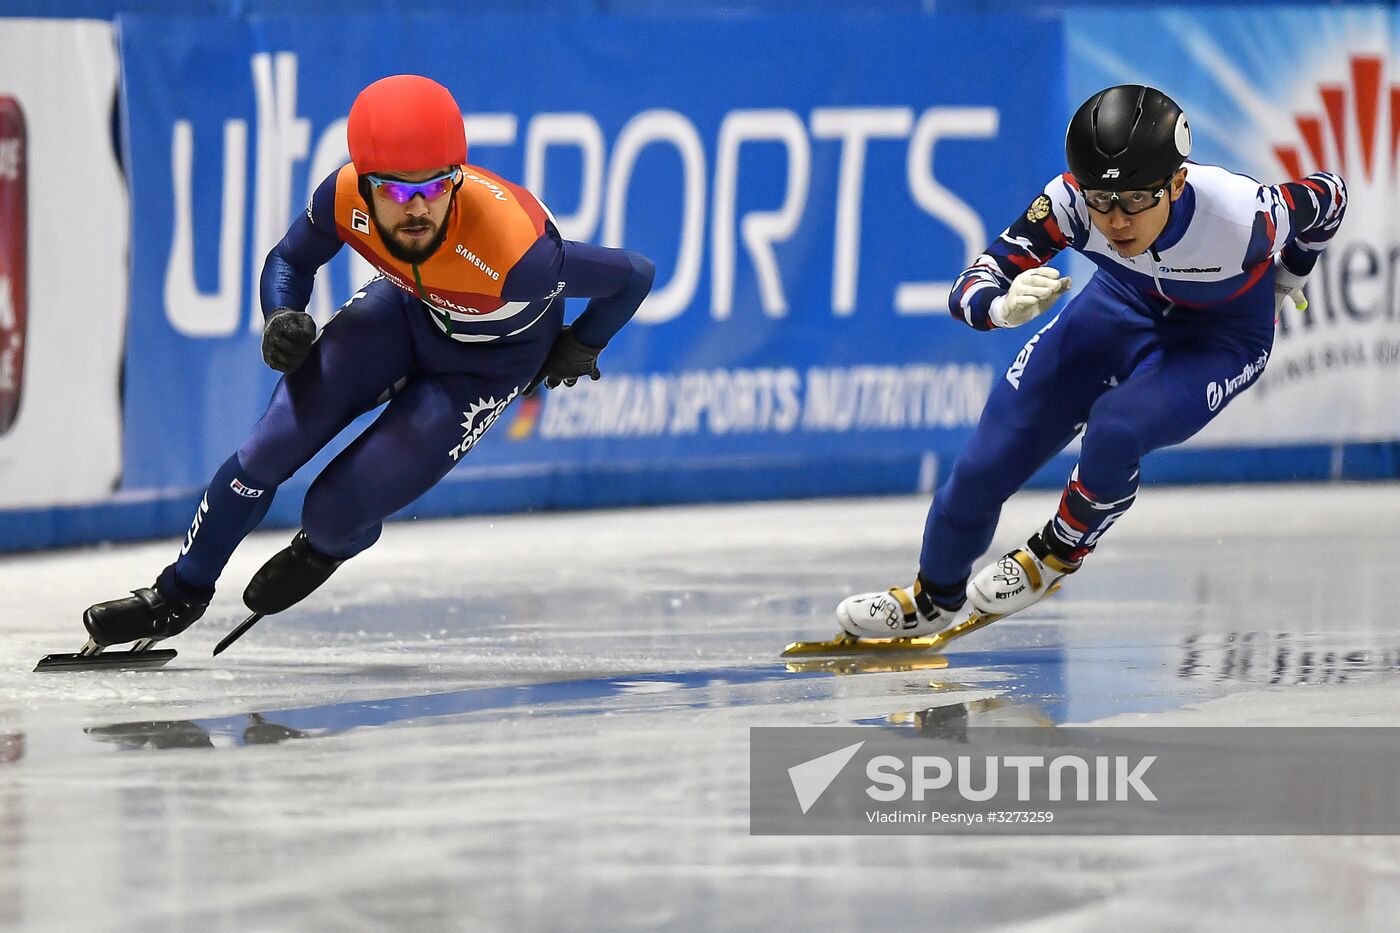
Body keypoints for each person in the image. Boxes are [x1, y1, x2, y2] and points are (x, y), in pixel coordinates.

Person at [81, 74, 655, 651]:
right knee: (267, 450)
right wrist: (282, 315)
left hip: (486, 366)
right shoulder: (341, 197)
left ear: (456, 180)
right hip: (406, 312)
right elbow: (288, 259)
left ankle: (332, 542)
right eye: (396, 193)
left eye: (434, 189)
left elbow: (633, 274)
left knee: (331, 512)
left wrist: (582, 344)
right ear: (364, 183)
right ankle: (177, 595)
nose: (417, 211)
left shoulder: (518, 256)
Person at [837, 84, 1346, 640]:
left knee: (1117, 426)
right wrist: (1001, 307)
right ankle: (932, 599)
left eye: (1133, 200)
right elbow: (971, 284)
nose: (1116, 220)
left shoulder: (1243, 216)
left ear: (1177, 181)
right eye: (1101, 201)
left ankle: (1058, 550)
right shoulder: (1071, 203)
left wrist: (1292, 273)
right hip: (1118, 307)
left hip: (1219, 338)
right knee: (980, 471)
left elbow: (1330, 197)